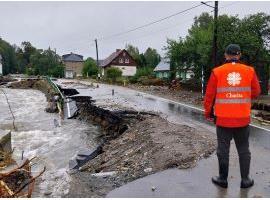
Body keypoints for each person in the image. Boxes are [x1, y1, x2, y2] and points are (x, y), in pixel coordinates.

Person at [204, 44, 261, 188]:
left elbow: (209, 96)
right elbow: (256, 91)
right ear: (239, 55)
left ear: (226, 55)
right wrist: (243, 95)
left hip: (223, 120)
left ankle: (223, 179)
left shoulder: (217, 71)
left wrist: (208, 113)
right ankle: (246, 180)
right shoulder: (249, 71)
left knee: (223, 149)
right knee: (243, 149)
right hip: (243, 119)